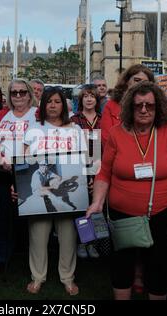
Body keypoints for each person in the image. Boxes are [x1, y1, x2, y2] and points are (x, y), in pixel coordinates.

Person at [86, 81, 167, 300]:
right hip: (122, 213)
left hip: (161, 211)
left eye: (149, 105)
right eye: (138, 105)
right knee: (122, 263)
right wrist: (97, 202)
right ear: (130, 107)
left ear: (158, 107)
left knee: (158, 264)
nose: (143, 110)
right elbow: (105, 172)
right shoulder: (116, 133)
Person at [24, 86, 86, 296]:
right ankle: (38, 277)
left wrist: (88, 179)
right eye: (49, 101)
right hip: (41, 188)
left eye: (57, 101)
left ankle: (67, 277)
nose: (52, 105)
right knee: (38, 236)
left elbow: (85, 158)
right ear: (43, 104)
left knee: (68, 236)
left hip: (66, 186)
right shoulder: (34, 127)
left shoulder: (75, 129)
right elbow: (23, 159)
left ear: (64, 105)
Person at [0, 79, 37, 267]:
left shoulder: (37, 114)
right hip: (3, 171)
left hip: (27, 170)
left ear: (29, 94)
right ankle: (4, 255)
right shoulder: (6, 116)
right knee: (4, 215)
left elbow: (39, 141)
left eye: (22, 92)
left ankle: (28, 256)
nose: (18, 96)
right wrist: (1, 158)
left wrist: (19, 163)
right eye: (14, 93)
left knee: (27, 216)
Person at [70, 84, 102, 259]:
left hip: (100, 169)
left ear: (97, 100)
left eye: (92, 96)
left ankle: (94, 243)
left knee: (96, 207)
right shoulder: (74, 120)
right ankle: (82, 242)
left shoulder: (103, 119)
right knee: (82, 208)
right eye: (86, 96)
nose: (89, 99)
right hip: (80, 169)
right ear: (81, 99)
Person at [101, 64, 155, 147]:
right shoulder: (111, 105)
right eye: (137, 80)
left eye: (145, 82)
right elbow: (106, 138)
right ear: (126, 81)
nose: (141, 84)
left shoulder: (155, 107)